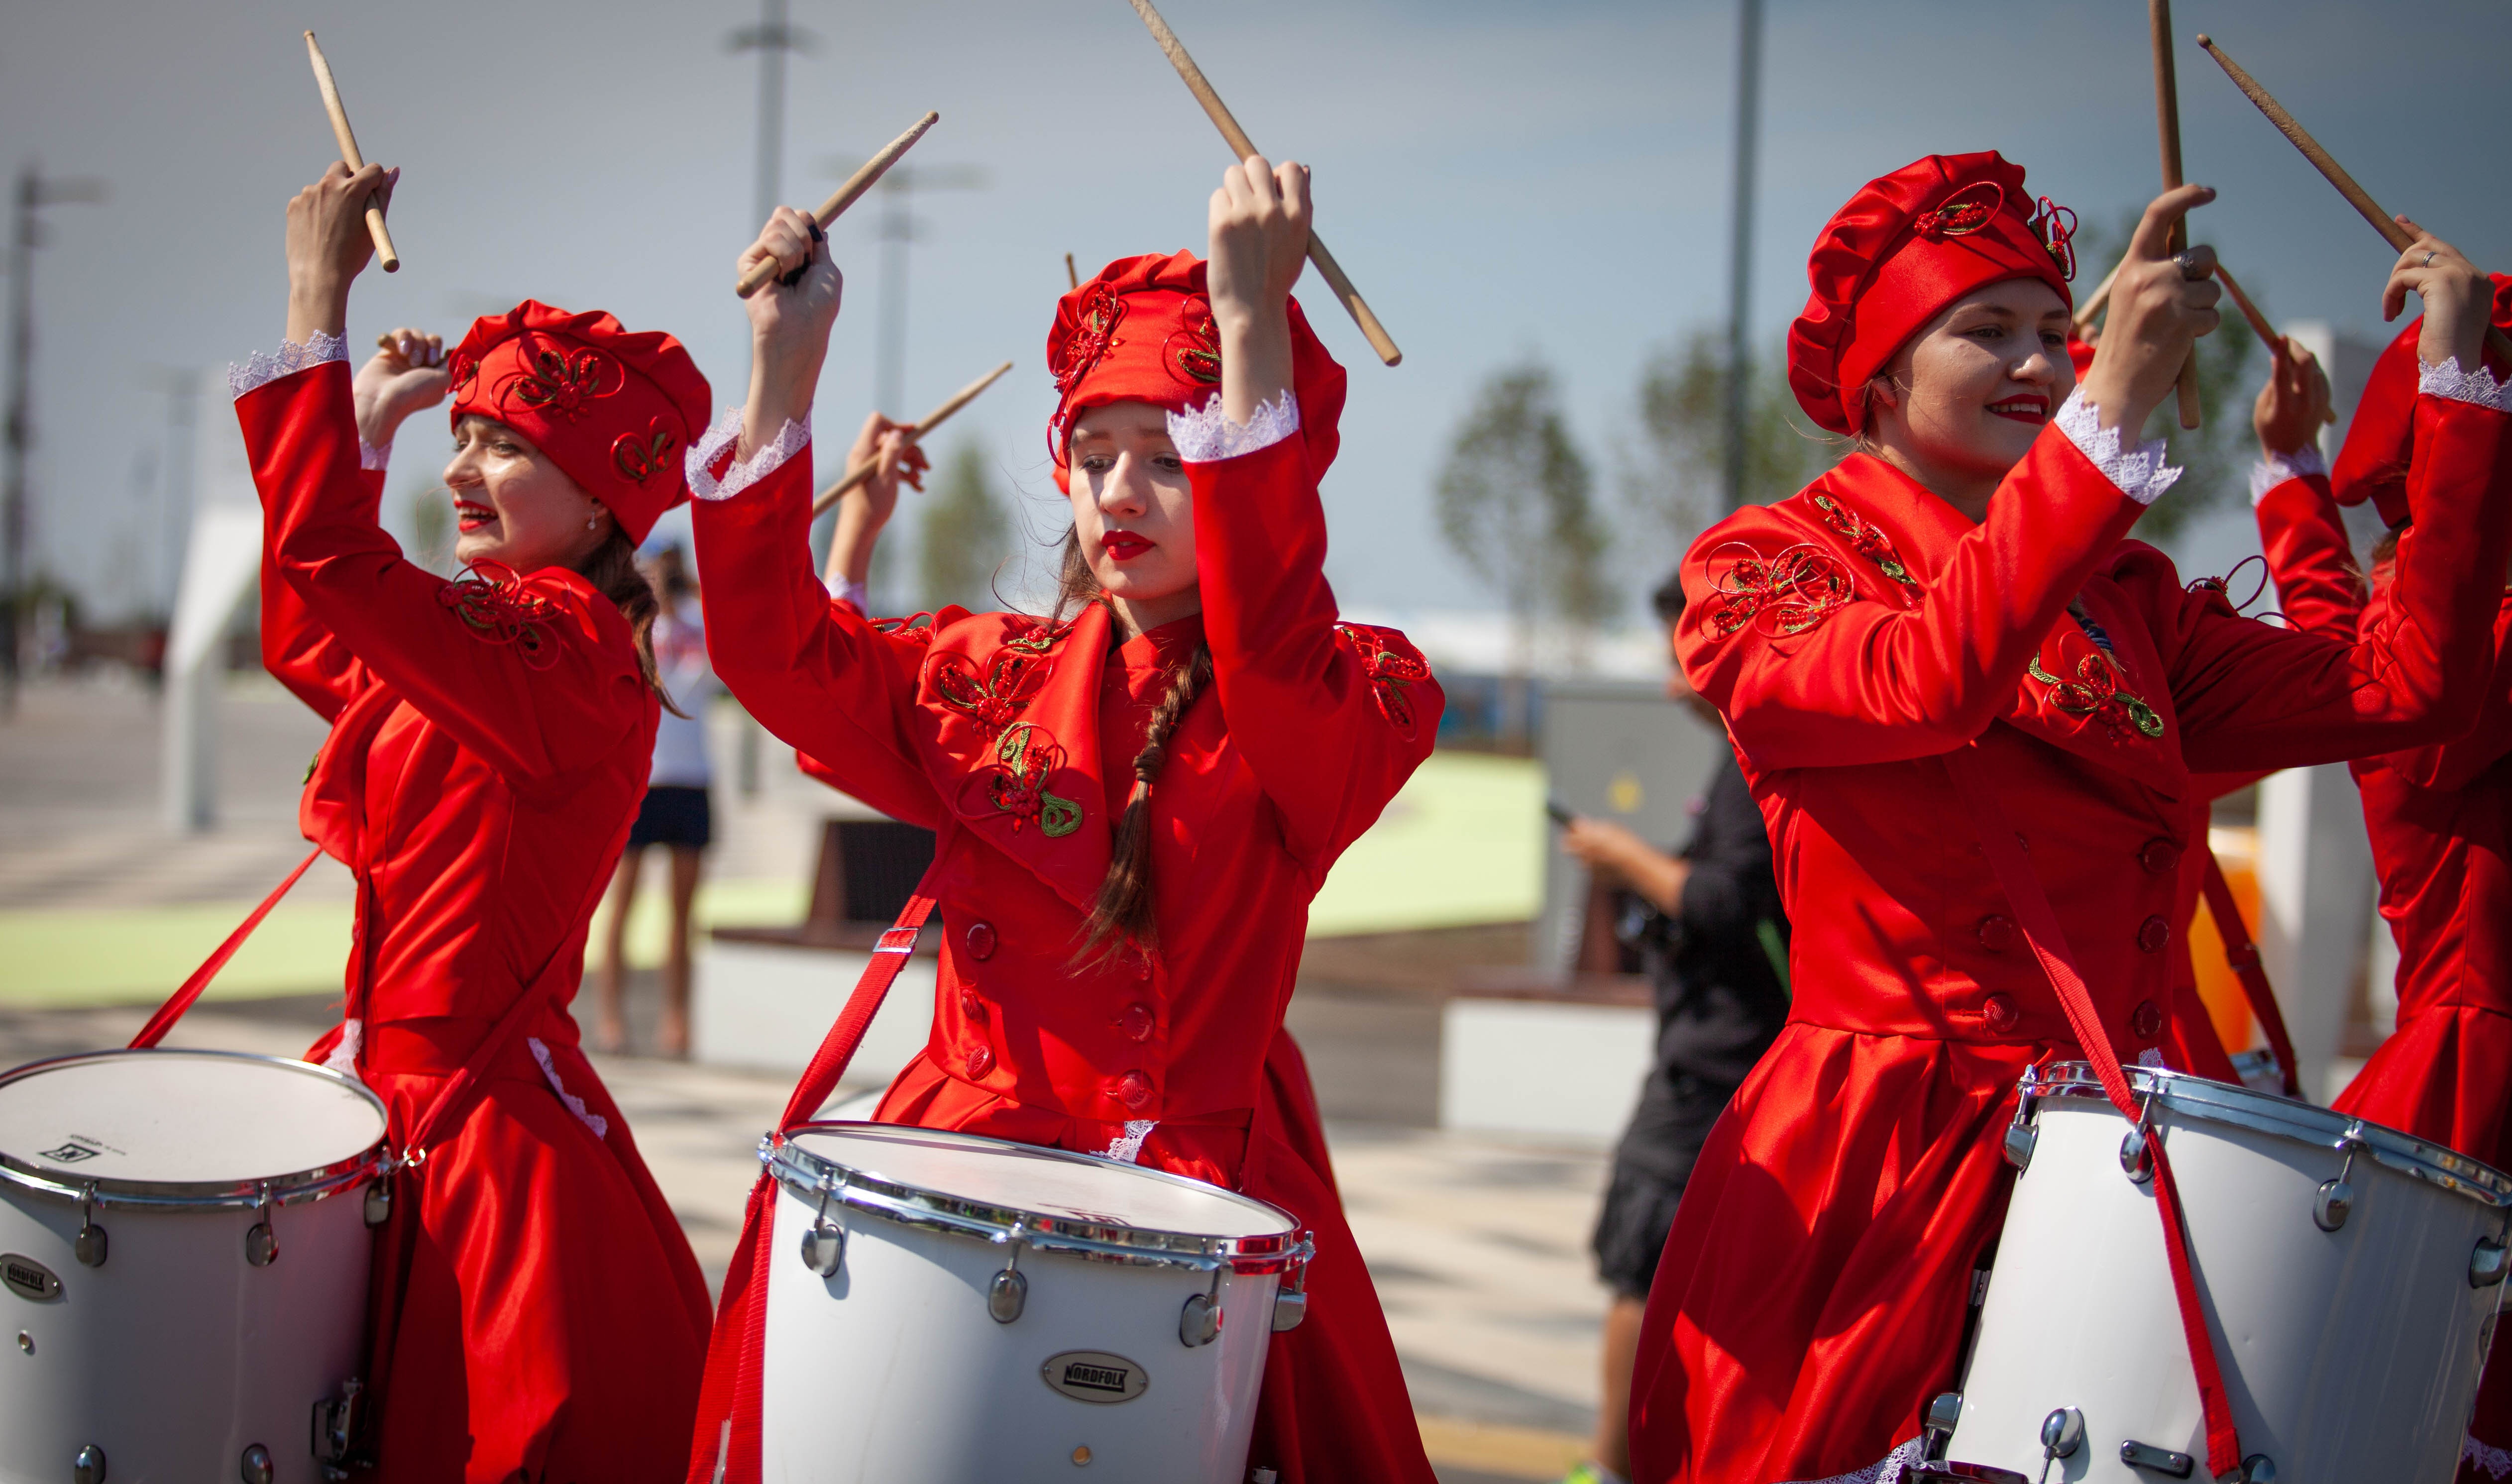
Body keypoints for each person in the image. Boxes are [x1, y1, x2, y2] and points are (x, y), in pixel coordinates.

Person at [1626, 151, 2512, 1484]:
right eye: (1984, 331)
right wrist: (2109, 411)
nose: (2036, 362)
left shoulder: (2129, 602)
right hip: (1890, 1169)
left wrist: (2455, 392)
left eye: (2054, 330)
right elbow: (1929, 680)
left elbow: (2407, 687)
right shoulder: (1766, 565)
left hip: (2131, 1172)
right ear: (1878, 377)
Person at [683, 158, 1443, 1483]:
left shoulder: (1353, 696)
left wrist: (1252, 324)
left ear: (1254, 464)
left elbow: (1272, 652)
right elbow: (777, 656)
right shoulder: (981, 674)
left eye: (1170, 457)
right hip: (960, 1175)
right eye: (1093, 458)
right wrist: (782, 365)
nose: (1118, 494)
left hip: (1196, 1205)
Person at [236, 161, 712, 1480]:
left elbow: (335, 568)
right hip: (383, 1101)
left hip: (477, 1143)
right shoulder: (501, 642)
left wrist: (315, 304)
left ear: (601, 495)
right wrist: (363, 434)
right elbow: (310, 636)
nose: (462, 467)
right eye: (463, 437)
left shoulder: (568, 651)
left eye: (505, 445)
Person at [2248, 273, 2512, 1483]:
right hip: (2475, 1102)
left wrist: (2291, 468)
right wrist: (2459, 379)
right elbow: (2418, 644)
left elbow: (2323, 607)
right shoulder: (2458, 652)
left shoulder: (2402, 634)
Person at [1557, 571, 1790, 1484]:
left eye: (1679, 656)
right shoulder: (1760, 757)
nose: (1668, 684)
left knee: (1641, 1266)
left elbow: (1724, 901)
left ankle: (1608, 1469)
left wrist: (1622, 855)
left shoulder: (1753, 759)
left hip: (1713, 1066)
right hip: (1732, 1056)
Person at [597, 541, 718, 1056]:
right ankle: (610, 1017)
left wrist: (689, 588)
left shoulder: (700, 625)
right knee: (622, 904)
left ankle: (677, 1021)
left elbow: (727, 621)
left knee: (682, 914)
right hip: (641, 780)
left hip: (691, 780)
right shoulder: (630, 627)